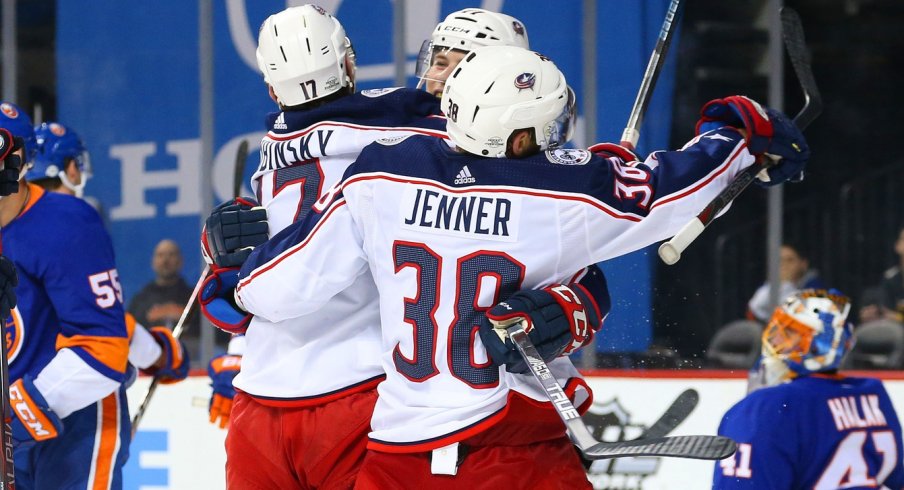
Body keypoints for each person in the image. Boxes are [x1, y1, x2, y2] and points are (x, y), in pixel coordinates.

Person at [230, 45, 809, 487]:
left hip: (396, 455)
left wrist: (232, 269)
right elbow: (671, 188)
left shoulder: (380, 174)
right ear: (523, 132)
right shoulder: (560, 196)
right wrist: (739, 132)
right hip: (506, 451)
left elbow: (274, 289)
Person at [198, 6, 603, 488]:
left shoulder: (285, 139)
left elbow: (257, 276)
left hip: (278, 392)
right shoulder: (423, 145)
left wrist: (230, 300)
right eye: (435, 60)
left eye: (454, 65)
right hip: (373, 393)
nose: (434, 78)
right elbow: (578, 272)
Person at [0, 101, 132, 488]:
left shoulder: (66, 221)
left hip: (77, 425)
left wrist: (17, 413)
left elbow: (103, 348)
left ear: (26, 158)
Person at [28, 121, 188, 387]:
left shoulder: (13, 226)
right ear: (71, 170)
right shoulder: (75, 223)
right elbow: (106, 325)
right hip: (76, 389)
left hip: (22, 391)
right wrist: (161, 355)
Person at [714, 288, 904, 489]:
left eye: (789, 334)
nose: (776, 341)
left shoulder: (764, 408)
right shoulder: (871, 394)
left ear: (818, 348)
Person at [747, 243, 824, 323]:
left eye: (789, 260)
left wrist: (786, 284)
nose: (784, 265)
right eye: (779, 260)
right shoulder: (768, 286)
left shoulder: (815, 285)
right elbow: (754, 310)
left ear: (803, 264)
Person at [859, 226, 904, 324]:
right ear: (897, 246)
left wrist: (897, 318)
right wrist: (873, 315)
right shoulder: (889, 279)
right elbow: (885, 310)